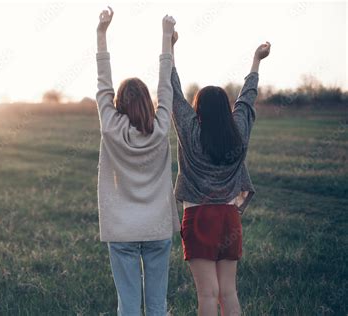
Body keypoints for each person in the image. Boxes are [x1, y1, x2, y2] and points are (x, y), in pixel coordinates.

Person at [170, 29, 271, 316]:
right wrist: (256, 60)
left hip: (199, 216)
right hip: (229, 217)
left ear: (198, 109)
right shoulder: (238, 130)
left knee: (207, 294)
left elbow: (173, 91)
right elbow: (247, 98)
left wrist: (170, 46)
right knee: (228, 293)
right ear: (226, 109)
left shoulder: (191, 131)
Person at [95, 7, 180, 315]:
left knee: (128, 307)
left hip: (122, 232)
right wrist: (166, 40)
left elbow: (103, 84)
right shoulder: (160, 129)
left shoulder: (110, 127)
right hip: (157, 230)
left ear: (117, 104)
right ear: (149, 102)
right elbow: (166, 85)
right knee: (157, 306)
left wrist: (101, 34)